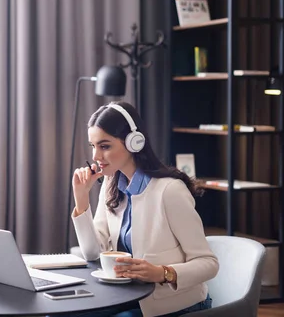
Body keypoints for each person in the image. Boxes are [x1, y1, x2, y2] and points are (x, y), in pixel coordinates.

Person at [72, 101, 218, 317]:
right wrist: (82, 198)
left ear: (134, 142)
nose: (95, 157)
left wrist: (162, 273)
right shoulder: (111, 186)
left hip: (176, 304)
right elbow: (92, 252)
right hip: (125, 296)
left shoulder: (169, 191)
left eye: (105, 146)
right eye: (93, 146)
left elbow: (209, 264)